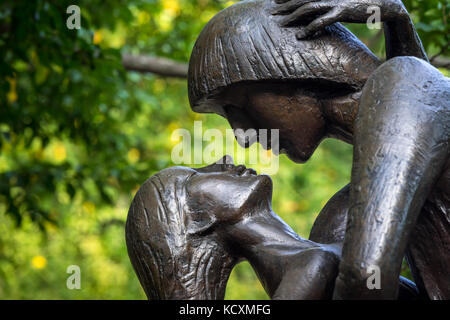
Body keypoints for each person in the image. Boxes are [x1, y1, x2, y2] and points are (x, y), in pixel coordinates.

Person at [187, 0, 450, 299]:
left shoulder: (404, 87)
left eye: (236, 106)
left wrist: (396, 18)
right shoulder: (341, 217)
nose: (241, 136)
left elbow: (364, 275)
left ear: (289, 69)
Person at [126, 156, 418, 299]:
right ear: (198, 219)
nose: (223, 161)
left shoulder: (330, 231)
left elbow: (405, 154)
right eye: (195, 177)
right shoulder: (307, 269)